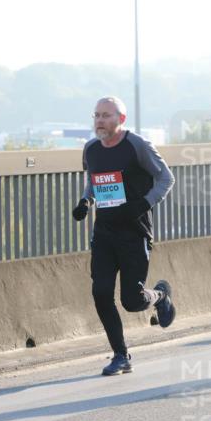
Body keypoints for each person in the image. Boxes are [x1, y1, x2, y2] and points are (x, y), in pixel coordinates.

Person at [71, 96, 177, 376]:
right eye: (96, 115)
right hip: (104, 233)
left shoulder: (137, 146)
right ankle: (120, 355)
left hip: (134, 232)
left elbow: (166, 179)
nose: (100, 121)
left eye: (106, 115)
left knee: (132, 301)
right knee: (101, 292)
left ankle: (161, 295)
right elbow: (94, 182)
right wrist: (85, 202)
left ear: (121, 119)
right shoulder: (91, 149)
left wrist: (143, 204)